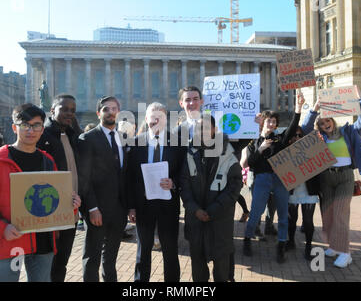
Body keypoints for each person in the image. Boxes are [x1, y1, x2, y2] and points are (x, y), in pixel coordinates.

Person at [0, 103, 81, 282]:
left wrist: (71, 205)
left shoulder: (48, 160)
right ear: (15, 127)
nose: (30, 130)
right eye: (25, 125)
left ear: (42, 129)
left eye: (36, 125)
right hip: (9, 241)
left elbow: (55, 199)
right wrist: (1, 228)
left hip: (43, 242)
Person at [302, 88, 361, 268]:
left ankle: (345, 253)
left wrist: (360, 100)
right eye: (322, 122)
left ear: (332, 120)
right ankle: (334, 246)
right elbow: (304, 129)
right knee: (328, 215)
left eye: (327, 120)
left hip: (345, 177)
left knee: (341, 214)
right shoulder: (319, 137)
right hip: (326, 178)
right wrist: (315, 109)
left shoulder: (349, 132)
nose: (326, 124)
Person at [243, 93, 305, 263]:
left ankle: (281, 246)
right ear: (262, 122)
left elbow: (292, 128)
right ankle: (247, 240)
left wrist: (298, 109)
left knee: (283, 215)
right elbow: (249, 163)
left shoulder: (279, 139)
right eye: (268, 120)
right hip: (261, 178)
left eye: (274, 122)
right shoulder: (254, 142)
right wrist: (261, 148)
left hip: (280, 179)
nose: (271, 124)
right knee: (256, 212)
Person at [180, 114, 242, 282]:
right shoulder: (189, 153)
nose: (203, 131)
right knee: (198, 268)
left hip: (220, 220)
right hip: (196, 219)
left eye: (207, 127)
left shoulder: (228, 153)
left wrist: (213, 210)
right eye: (199, 128)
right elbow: (183, 186)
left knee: (222, 269)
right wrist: (195, 210)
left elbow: (235, 186)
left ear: (214, 129)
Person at [127, 102, 184, 282]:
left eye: (160, 117)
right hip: (144, 205)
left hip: (168, 204)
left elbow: (184, 172)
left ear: (166, 120)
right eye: (152, 117)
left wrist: (174, 183)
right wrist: (131, 207)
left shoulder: (177, 143)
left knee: (170, 250)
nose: (155, 121)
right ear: (146, 119)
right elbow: (129, 176)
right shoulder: (136, 143)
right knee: (143, 250)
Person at [78, 96, 129, 282]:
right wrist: (92, 208)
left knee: (111, 259)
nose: (111, 112)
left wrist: (129, 207)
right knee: (92, 258)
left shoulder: (123, 138)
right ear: (99, 113)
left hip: (119, 210)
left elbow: (125, 175)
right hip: (97, 210)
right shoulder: (87, 138)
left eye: (114, 108)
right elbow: (84, 178)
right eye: (106, 109)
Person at [36, 94, 82, 282]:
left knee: (62, 261)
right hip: (49, 211)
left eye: (72, 110)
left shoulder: (73, 135)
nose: (69, 113)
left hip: (70, 210)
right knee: (46, 263)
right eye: (64, 109)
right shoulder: (42, 136)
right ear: (53, 110)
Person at [285, 126, 321, 261]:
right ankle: (291, 241)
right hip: (292, 190)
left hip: (309, 190)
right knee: (291, 219)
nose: (297, 138)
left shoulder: (311, 151)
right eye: (294, 135)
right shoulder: (285, 153)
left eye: (300, 135)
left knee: (307, 221)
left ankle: (308, 246)